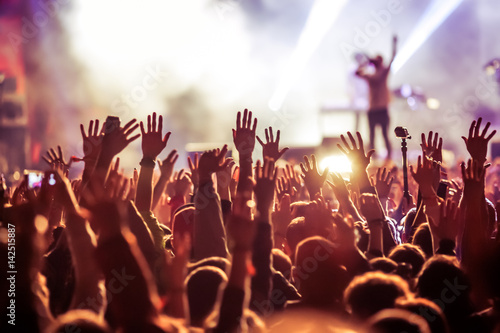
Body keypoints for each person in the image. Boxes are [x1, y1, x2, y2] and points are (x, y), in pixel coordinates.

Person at [355, 35, 398, 159]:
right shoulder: (370, 75)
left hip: (381, 109)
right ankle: (372, 158)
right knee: (372, 136)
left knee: (384, 135)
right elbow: (357, 73)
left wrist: (394, 44)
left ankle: (388, 158)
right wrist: (365, 63)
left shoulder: (383, 73)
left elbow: (393, 58)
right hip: (373, 109)